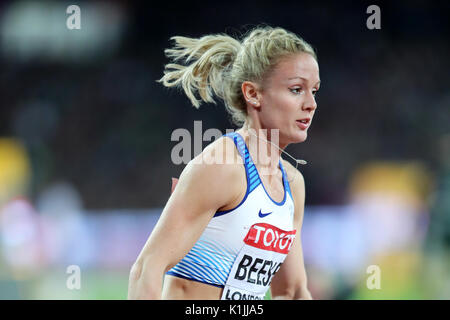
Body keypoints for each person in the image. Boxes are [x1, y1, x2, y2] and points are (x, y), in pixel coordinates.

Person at [127, 25, 320, 300]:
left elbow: (291, 291)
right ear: (253, 94)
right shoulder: (222, 168)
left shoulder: (292, 184)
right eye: (296, 89)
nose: (311, 103)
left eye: (314, 90)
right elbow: (145, 270)